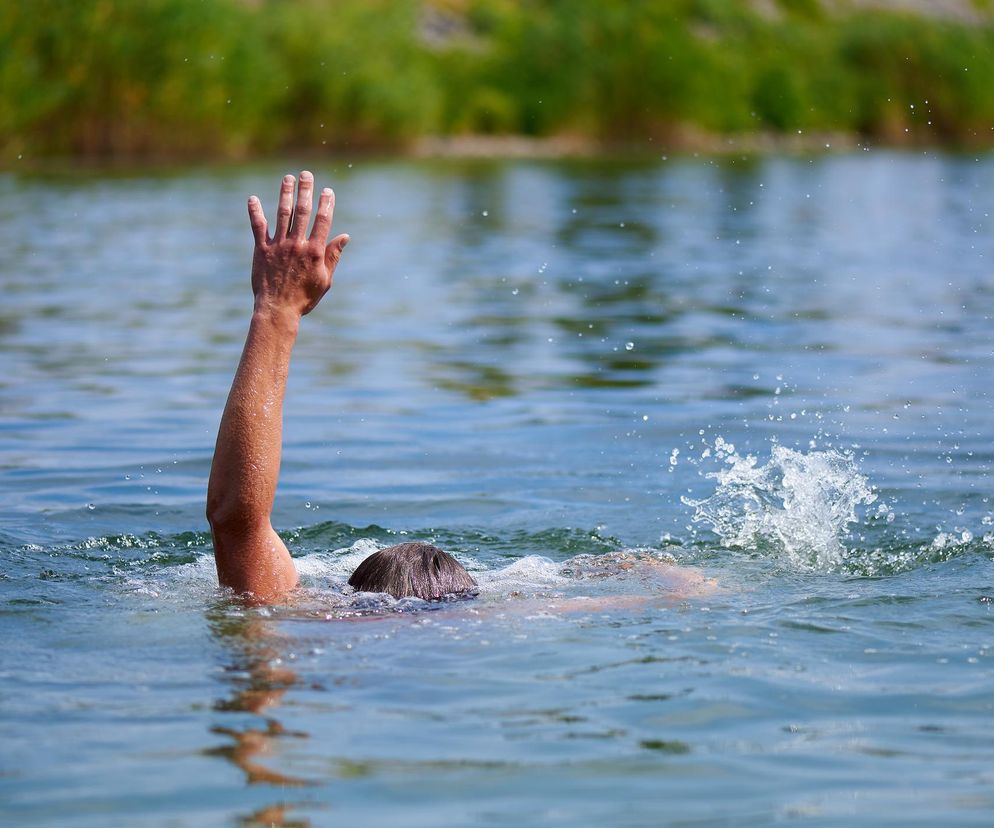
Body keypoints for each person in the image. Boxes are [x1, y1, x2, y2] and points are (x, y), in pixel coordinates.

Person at [207, 172, 477, 604]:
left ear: (350, 601)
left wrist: (277, 308)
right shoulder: (507, 617)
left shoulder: (315, 627)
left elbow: (236, 520)